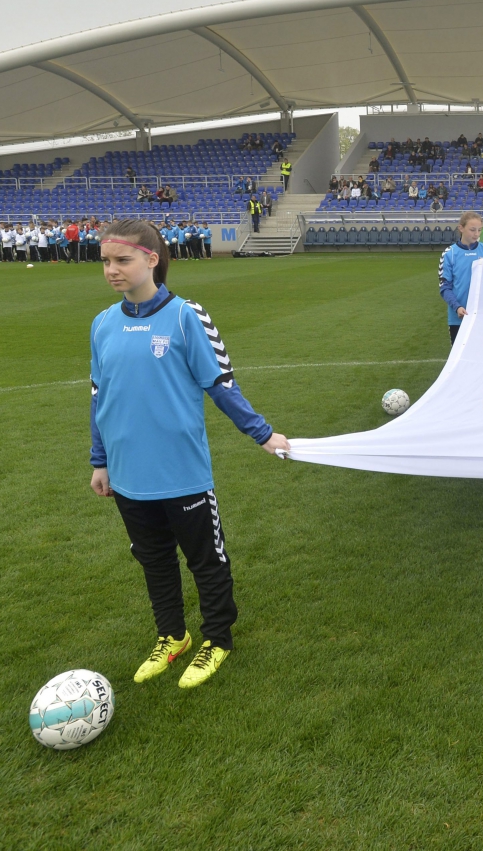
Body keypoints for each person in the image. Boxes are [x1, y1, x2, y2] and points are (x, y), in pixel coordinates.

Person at [89, 219, 290, 690]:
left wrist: (263, 434)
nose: (111, 271)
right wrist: (100, 461)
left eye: (122, 260)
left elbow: (220, 384)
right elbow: (99, 395)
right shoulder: (102, 323)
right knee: (154, 561)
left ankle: (216, 638)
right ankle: (172, 635)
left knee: (206, 561)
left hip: (182, 472)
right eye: (105, 262)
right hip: (127, 473)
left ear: (152, 260)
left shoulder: (186, 316)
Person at [438, 211, 483, 345]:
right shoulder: (449, 254)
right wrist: (457, 307)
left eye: (479, 230)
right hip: (458, 317)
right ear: (461, 228)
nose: (476, 234)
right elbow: (445, 287)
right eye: (472, 230)